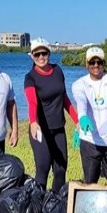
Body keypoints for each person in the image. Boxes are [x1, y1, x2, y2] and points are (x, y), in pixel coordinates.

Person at [24, 38, 78, 192]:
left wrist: (77, 121)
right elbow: (32, 102)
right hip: (41, 130)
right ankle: (38, 205)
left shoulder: (58, 70)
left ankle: (55, 205)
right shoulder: (30, 77)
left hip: (58, 128)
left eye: (44, 53)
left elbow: (65, 99)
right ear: (32, 56)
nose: (41, 57)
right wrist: (33, 122)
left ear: (49, 53)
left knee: (61, 169)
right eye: (37, 54)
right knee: (43, 169)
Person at [71, 47, 107, 185]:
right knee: (90, 183)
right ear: (87, 64)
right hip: (90, 139)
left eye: (99, 62)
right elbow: (81, 101)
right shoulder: (79, 84)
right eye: (92, 62)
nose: (96, 65)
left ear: (104, 63)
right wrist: (82, 117)